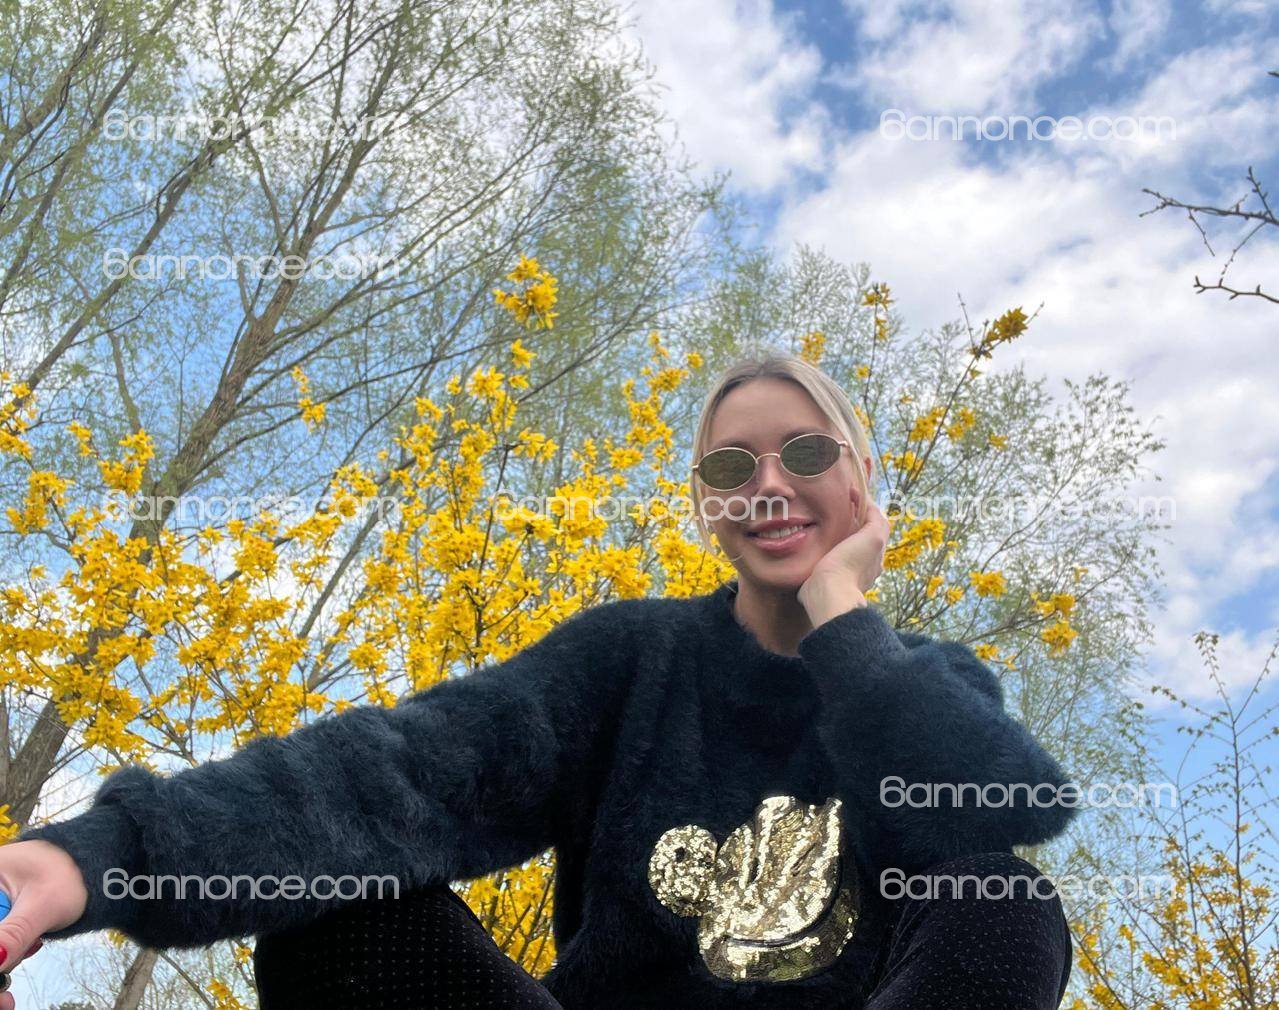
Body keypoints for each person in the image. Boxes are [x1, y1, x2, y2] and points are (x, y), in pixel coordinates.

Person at [0, 352, 1079, 1010]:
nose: (766, 485)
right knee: (339, 899)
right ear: (703, 504)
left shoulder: (923, 684)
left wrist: (843, 616)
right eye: (728, 466)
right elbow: (403, 774)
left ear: (863, 479)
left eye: (804, 454)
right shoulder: (633, 657)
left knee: (999, 895)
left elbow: (1001, 812)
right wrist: (96, 857)